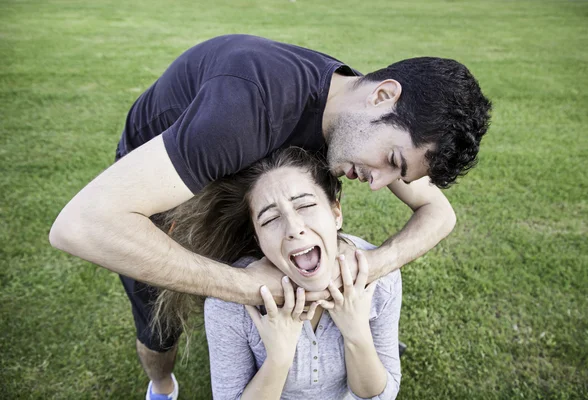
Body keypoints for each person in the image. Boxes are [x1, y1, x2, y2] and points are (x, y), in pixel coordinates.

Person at [48, 34, 491, 398]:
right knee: (160, 325)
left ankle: (344, 350)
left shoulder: (354, 112)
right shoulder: (247, 106)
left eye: (399, 172)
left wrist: (366, 269)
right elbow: (82, 225)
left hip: (262, 186)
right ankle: (161, 387)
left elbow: (438, 212)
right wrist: (247, 287)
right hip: (164, 194)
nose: (378, 184)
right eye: (391, 159)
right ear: (382, 94)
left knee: (291, 255)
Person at [153, 147, 402, 399]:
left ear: (336, 213)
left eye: (304, 205)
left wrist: (357, 333)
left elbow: (381, 394)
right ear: (258, 239)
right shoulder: (230, 303)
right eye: (270, 219)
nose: (294, 228)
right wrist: (279, 359)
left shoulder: (379, 278)